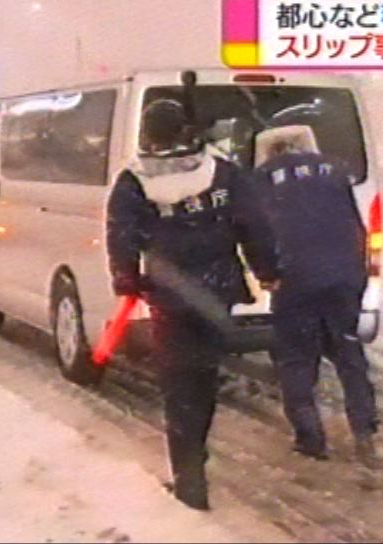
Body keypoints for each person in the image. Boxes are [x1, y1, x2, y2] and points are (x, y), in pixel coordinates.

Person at [105, 99, 279, 510]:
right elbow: (253, 223)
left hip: (170, 296)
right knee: (203, 377)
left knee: (178, 384)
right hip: (218, 293)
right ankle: (196, 448)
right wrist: (267, 270)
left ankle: (189, 475)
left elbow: (121, 234)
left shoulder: (134, 181)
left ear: (148, 135)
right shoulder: (220, 171)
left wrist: (127, 280)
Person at [252, 126, 380, 466]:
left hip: (295, 279)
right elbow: (357, 227)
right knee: (350, 355)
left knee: (296, 359)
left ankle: (311, 438)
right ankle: (364, 431)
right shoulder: (336, 170)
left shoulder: (263, 178)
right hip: (342, 277)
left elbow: (260, 233)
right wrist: (358, 277)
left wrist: (268, 274)